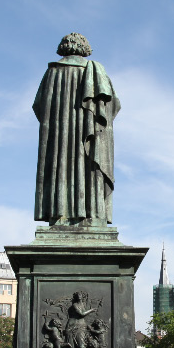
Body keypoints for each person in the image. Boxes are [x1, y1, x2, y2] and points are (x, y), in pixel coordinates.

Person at [33, 33, 119, 226]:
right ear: (84, 48)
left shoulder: (52, 74)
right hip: (91, 140)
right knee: (91, 167)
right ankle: (93, 213)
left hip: (59, 143)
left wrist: (60, 124)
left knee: (60, 167)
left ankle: (59, 214)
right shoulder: (97, 72)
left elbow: (39, 107)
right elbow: (113, 106)